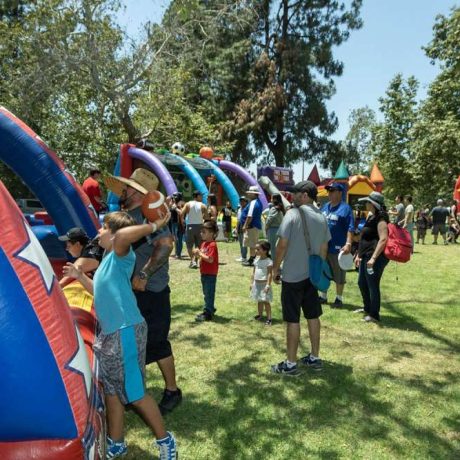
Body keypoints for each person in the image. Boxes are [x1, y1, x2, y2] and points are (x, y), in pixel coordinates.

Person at [63, 211, 177, 459]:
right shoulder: (106, 260)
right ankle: (117, 442)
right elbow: (99, 292)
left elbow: (125, 235)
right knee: (113, 392)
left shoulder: (122, 253)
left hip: (125, 331)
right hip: (111, 334)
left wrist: (155, 225)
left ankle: (166, 440)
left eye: (103, 228)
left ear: (115, 235)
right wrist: (80, 276)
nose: (98, 232)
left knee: (136, 395)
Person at [105, 169, 182, 416]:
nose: (121, 191)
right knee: (135, 343)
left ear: (138, 192)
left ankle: (172, 390)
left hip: (152, 291)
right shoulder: (128, 216)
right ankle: (135, 392)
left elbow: (166, 244)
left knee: (157, 343)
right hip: (131, 293)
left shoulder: (151, 215)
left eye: (126, 188)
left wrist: (144, 275)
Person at [271, 180, 330, 375]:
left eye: (295, 193)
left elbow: (282, 245)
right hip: (312, 278)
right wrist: (317, 271)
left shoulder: (292, 214)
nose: (292, 196)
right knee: (313, 316)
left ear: (304, 195)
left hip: (293, 277)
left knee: (292, 319)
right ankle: (314, 357)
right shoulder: (322, 217)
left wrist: (275, 268)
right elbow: (323, 248)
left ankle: (290, 364)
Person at [354, 192, 389, 323]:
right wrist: (358, 254)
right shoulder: (371, 216)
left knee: (372, 284)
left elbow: (383, 239)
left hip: (376, 257)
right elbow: (364, 238)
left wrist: (373, 258)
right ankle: (367, 308)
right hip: (366, 256)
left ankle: (374, 315)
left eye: (368, 202)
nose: (366, 204)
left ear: (373, 204)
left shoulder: (381, 218)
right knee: (362, 283)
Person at [319, 182, 354, 308]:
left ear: (340, 193)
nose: (330, 193)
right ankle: (323, 296)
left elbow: (350, 228)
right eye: (329, 191)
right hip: (323, 247)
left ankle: (339, 298)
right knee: (323, 271)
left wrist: (348, 243)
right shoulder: (324, 207)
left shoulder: (346, 209)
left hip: (338, 247)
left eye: (333, 191)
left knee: (339, 274)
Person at [193, 220, 219, 322]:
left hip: (210, 274)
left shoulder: (212, 244)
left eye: (204, 232)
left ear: (212, 233)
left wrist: (199, 254)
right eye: (201, 232)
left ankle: (208, 313)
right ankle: (210, 308)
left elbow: (210, 259)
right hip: (204, 272)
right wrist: (196, 254)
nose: (201, 234)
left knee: (209, 293)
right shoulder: (204, 244)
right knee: (206, 292)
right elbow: (202, 256)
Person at [181, 190, 209, 268]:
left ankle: (193, 261)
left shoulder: (188, 204)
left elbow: (181, 213)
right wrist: (203, 216)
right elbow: (207, 217)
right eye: (201, 195)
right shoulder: (203, 205)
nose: (202, 197)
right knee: (199, 245)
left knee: (189, 245)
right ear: (197, 196)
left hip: (190, 226)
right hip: (200, 226)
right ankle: (195, 261)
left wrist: (182, 221)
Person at [250, 240, 273, 325]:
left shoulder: (268, 261)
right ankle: (260, 315)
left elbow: (270, 274)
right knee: (259, 300)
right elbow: (253, 272)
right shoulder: (256, 259)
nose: (256, 251)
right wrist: (251, 282)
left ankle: (269, 318)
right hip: (257, 284)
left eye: (258, 249)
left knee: (266, 301)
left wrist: (267, 285)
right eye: (256, 249)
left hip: (264, 285)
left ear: (265, 251)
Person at [241, 185, 263, 267]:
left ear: (254, 194)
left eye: (250, 193)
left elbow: (250, 216)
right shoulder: (257, 202)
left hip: (252, 226)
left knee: (252, 244)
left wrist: (245, 225)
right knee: (252, 244)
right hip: (253, 226)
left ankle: (252, 260)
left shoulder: (253, 202)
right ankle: (252, 259)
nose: (248, 194)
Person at [265, 194, 285, 261]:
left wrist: (266, 227)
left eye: (271, 198)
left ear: (274, 199)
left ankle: (274, 262)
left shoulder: (274, 208)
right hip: (280, 229)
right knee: (277, 247)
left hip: (273, 229)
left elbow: (270, 219)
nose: (271, 200)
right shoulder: (281, 208)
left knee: (273, 247)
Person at [170, 192, 185, 259]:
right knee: (176, 239)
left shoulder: (181, 204)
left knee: (178, 239)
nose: (173, 198)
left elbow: (181, 212)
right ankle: (176, 253)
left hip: (178, 224)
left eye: (174, 196)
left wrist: (175, 208)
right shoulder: (174, 203)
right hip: (174, 223)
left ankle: (178, 254)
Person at [235, 196, 249, 262]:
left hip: (245, 226)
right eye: (241, 201)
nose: (241, 202)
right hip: (239, 226)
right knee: (240, 241)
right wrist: (236, 228)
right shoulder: (239, 209)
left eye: (243, 201)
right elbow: (238, 219)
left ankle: (244, 256)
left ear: (246, 202)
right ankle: (242, 256)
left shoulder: (247, 209)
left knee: (244, 242)